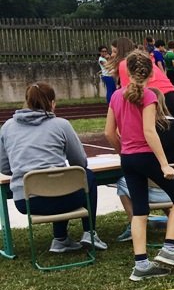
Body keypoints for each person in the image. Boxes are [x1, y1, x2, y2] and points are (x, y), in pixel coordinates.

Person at [105, 50, 174, 281]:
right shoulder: (149, 96)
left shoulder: (116, 96)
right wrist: (164, 164)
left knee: (140, 211)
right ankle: (169, 248)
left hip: (128, 159)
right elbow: (149, 131)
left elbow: (109, 132)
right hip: (146, 156)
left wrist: (122, 150)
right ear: (150, 73)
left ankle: (141, 264)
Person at [0, 82, 107, 253]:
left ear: (26, 101)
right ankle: (89, 232)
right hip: (64, 197)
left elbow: (4, 168)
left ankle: (61, 239)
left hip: (26, 201)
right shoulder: (61, 124)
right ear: (52, 103)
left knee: (57, 180)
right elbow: (80, 162)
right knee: (86, 175)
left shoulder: (7, 127)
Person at [113, 89, 174, 242]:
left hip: (155, 187)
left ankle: (133, 225)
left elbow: (110, 132)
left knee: (122, 182)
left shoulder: (148, 129)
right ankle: (173, 226)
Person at [113, 36, 174, 117]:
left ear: (120, 52)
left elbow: (127, 94)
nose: (111, 55)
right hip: (172, 99)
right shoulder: (143, 60)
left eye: (114, 52)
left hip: (161, 102)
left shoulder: (125, 64)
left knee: (148, 128)